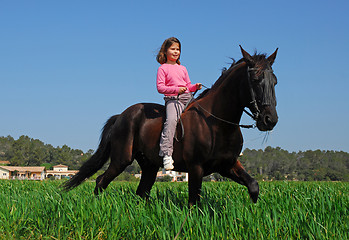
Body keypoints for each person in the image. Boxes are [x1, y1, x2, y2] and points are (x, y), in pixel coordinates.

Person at [156, 37, 202, 170]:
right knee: (170, 121)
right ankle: (167, 154)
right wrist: (176, 90)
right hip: (173, 100)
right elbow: (160, 88)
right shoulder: (162, 68)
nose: (176, 52)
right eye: (173, 49)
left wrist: (195, 87)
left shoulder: (182, 68)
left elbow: (188, 85)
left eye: (178, 49)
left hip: (188, 97)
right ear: (165, 51)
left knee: (204, 115)